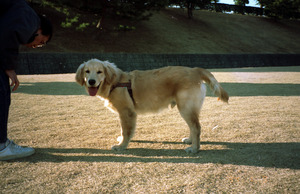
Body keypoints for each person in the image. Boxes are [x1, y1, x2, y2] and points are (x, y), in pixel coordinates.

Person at [0, 0, 53, 160]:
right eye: (41, 42)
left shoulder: (16, 11)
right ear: (40, 29)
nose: (36, 45)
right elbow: (8, 33)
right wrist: (9, 67)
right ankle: (1, 146)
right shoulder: (29, 16)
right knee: (1, 91)